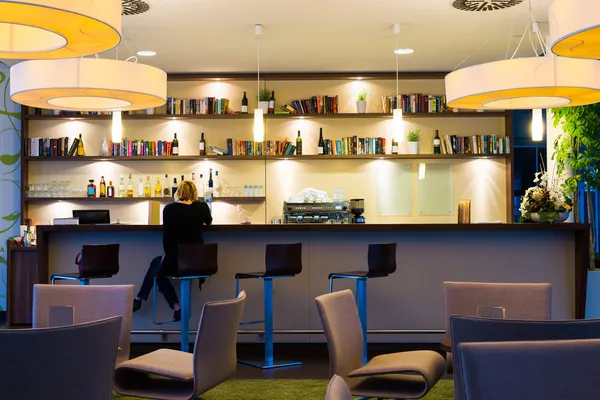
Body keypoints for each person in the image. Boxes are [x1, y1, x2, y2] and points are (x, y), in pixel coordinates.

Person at [133, 180, 212, 321]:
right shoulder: (202, 207)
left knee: (158, 269)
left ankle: (171, 305)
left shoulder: (169, 209)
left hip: (175, 260)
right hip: (199, 262)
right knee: (158, 268)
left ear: (178, 192)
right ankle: (143, 299)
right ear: (195, 193)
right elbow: (208, 221)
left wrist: (169, 255)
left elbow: (167, 238)